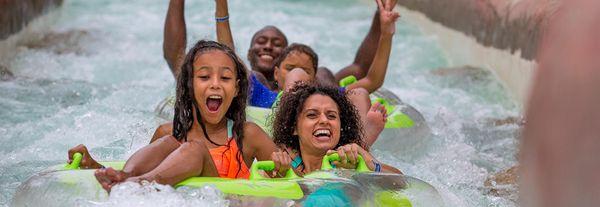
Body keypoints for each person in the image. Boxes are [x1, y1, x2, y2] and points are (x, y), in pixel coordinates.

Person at [70, 40, 278, 191]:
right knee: (169, 141)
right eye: (205, 77)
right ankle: (126, 179)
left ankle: (135, 186)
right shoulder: (168, 133)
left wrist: (282, 166)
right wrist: (95, 167)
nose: (215, 83)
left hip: (225, 203)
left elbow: (294, 181)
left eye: (225, 78)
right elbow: (146, 168)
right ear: (189, 85)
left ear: (236, 89)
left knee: (194, 149)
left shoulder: (248, 134)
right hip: (162, 191)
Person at [163, 0, 396, 107]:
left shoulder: (320, 80)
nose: (267, 47)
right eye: (261, 41)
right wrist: (221, 7)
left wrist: (383, 14)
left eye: (277, 44)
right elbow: (222, 55)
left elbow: (363, 71)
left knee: (327, 74)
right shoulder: (247, 83)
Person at [268, 82, 402, 178]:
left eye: (331, 116)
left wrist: (368, 162)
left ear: (340, 127)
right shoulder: (286, 164)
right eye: (312, 115)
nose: (324, 120)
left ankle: (364, 141)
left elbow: (403, 183)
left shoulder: (350, 162)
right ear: (294, 128)